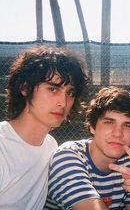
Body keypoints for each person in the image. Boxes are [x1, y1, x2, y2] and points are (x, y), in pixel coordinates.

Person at [45, 86, 130, 210]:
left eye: (128, 125)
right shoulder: (67, 157)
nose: (118, 133)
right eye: (109, 122)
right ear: (92, 127)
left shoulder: (129, 166)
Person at [0, 45, 87, 210]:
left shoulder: (50, 145)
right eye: (53, 89)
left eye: (70, 93)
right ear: (25, 88)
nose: (63, 102)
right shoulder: (2, 147)